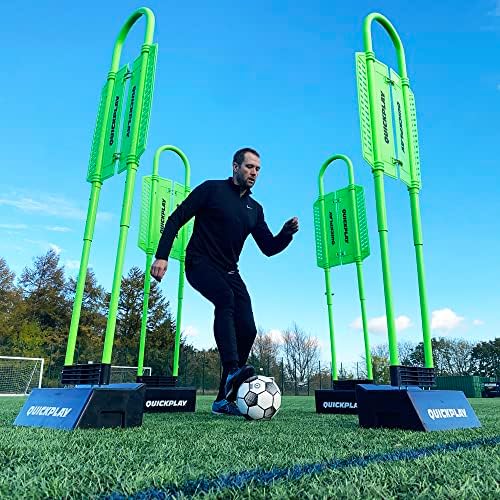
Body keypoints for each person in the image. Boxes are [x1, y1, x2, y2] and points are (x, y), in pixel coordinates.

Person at [150, 147, 299, 416]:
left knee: (248, 329)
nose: (254, 173)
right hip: (199, 263)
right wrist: (162, 256)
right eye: (249, 167)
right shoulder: (211, 189)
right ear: (235, 166)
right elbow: (175, 219)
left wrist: (286, 234)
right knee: (225, 298)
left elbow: (268, 247)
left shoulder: (255, 209)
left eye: (258, 169)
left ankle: (222, 400)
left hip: (230, 271)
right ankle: (232, 369)